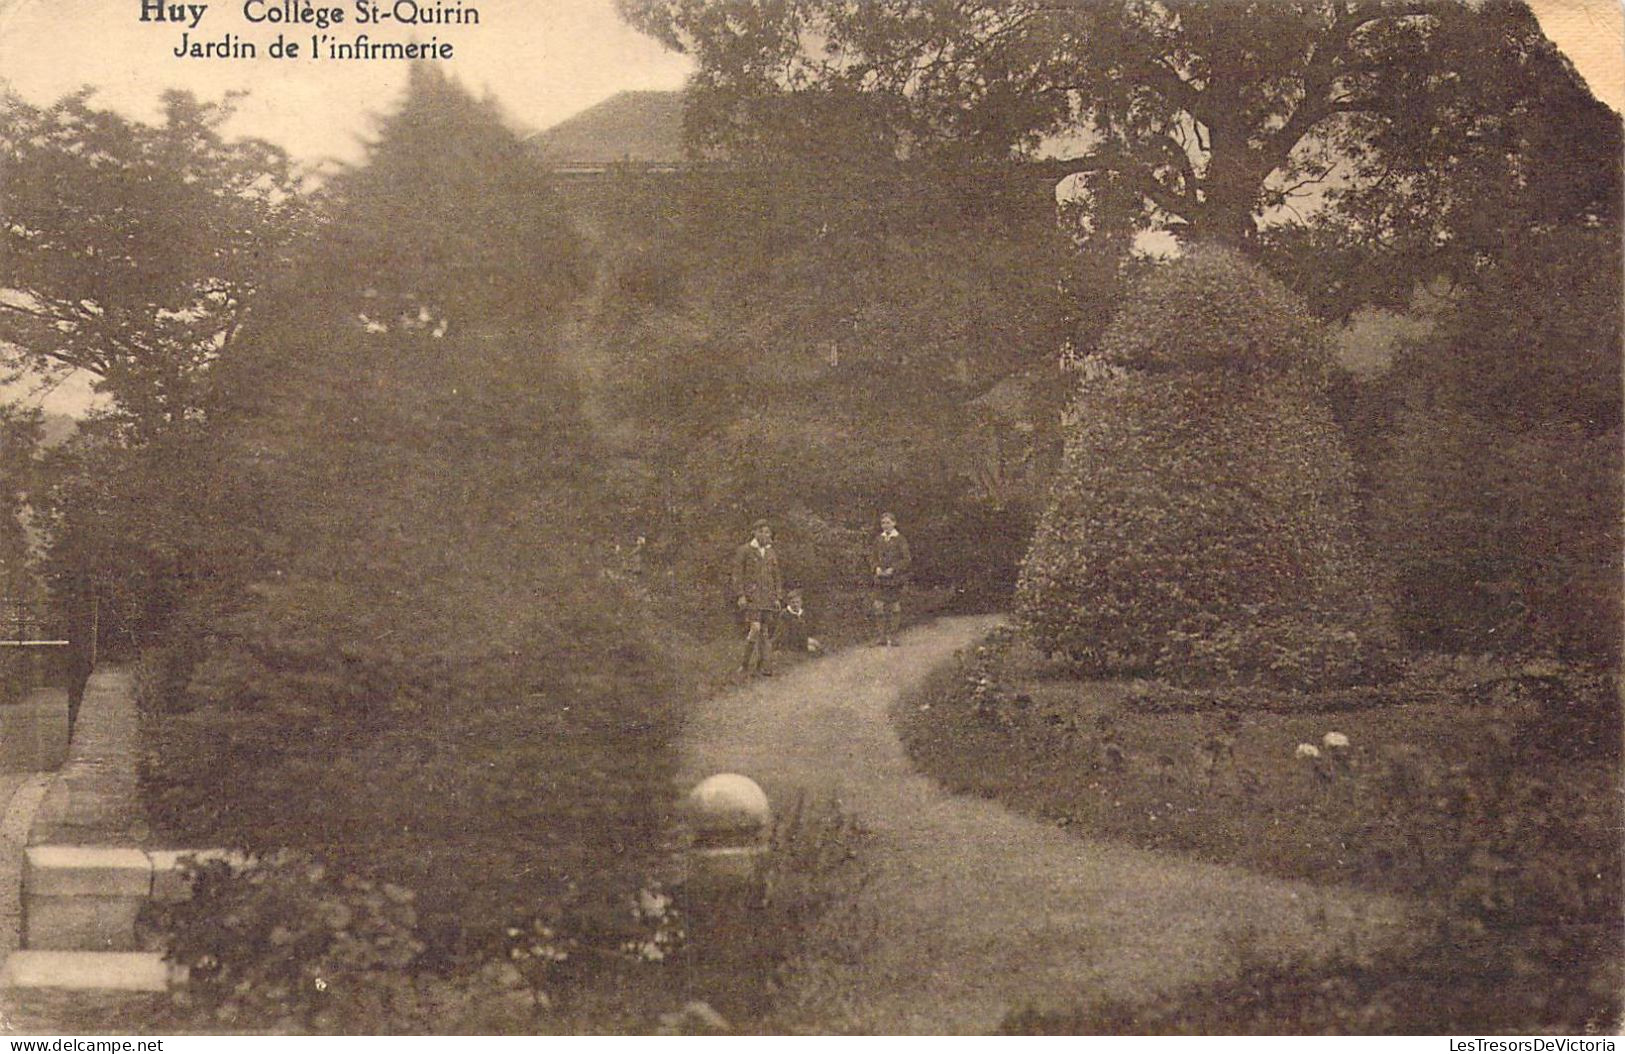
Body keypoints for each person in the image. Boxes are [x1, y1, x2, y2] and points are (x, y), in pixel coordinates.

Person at [732, 519, 783, 676]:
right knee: (755, 628)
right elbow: (737, 575)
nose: (765, 535)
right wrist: (740, 595)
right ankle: (744, 664)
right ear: (754, 532)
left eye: (767, 532)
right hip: (752, 596)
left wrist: (777, 596)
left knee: (765, 631)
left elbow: (776, 576)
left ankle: (762, 666)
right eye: (762, 531)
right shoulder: (745, 550)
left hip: (767, 597)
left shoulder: (770, 552)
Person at [871, 511, 911, 646]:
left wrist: (893, 569)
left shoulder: (900, 539)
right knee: (878, 606)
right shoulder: (878, 539)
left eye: (888, 522)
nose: (885, 525)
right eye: (883, 523)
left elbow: (906, 559)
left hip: (894, 579)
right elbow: (873, 557)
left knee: (894, 606)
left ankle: (893, 637)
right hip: (880, 578)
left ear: (894, 523)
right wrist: (876, 567)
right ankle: (881, 636)